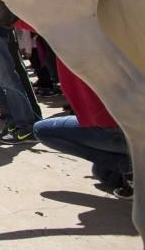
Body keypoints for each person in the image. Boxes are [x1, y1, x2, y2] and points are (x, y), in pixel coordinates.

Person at [33, 59, 132, 198]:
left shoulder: (81, 48)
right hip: (121, 125)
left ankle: (132, 165)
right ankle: (130, 164)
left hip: (121, 126)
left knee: (42, 130)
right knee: (105, 174)